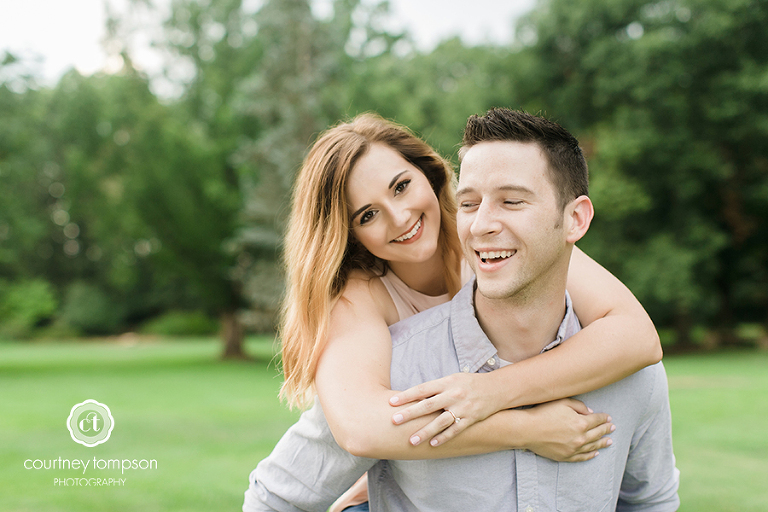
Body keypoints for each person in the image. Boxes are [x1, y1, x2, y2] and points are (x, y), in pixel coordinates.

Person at [244, 109, 679, 511]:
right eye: (368, 214)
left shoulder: (501, 241)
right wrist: (527, 430)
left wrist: (491, 393)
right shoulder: (361, 302)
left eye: (401, 186)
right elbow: (360, 428)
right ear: (350, 234)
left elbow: (636, 338)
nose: (399, 218)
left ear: (430, 175)